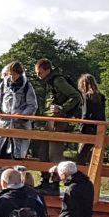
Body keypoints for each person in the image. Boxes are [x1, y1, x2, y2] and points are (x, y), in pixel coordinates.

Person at [34, 58, 81, 191]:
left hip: (58, 121)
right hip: (49, 120)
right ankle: (45, 180)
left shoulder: (58, 81)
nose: (38, 75)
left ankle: (55, 183)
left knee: (54, 153)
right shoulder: (49, 82)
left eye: (39, 72)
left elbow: (75, 96)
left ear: (47, 70)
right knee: (43, 152)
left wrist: (62, 108)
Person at [0, 62, 38, 160]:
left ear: (19, 73)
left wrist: (22, 115)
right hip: (3, 124)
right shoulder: (3, 85)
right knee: (0, 154)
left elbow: (32, 105)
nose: (12, 77)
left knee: (17, 156)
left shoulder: (27, 86)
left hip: (19, 125)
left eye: (14, 74)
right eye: (10, 74)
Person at [75, 74, 106, 164]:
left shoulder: (87, 97)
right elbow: (102, 115)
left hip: (89, 128)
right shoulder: (101, 97)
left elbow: (85, 113)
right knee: (94, 153)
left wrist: (82, 127)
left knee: (81, 154)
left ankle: (80, 170)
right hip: (99, 128)